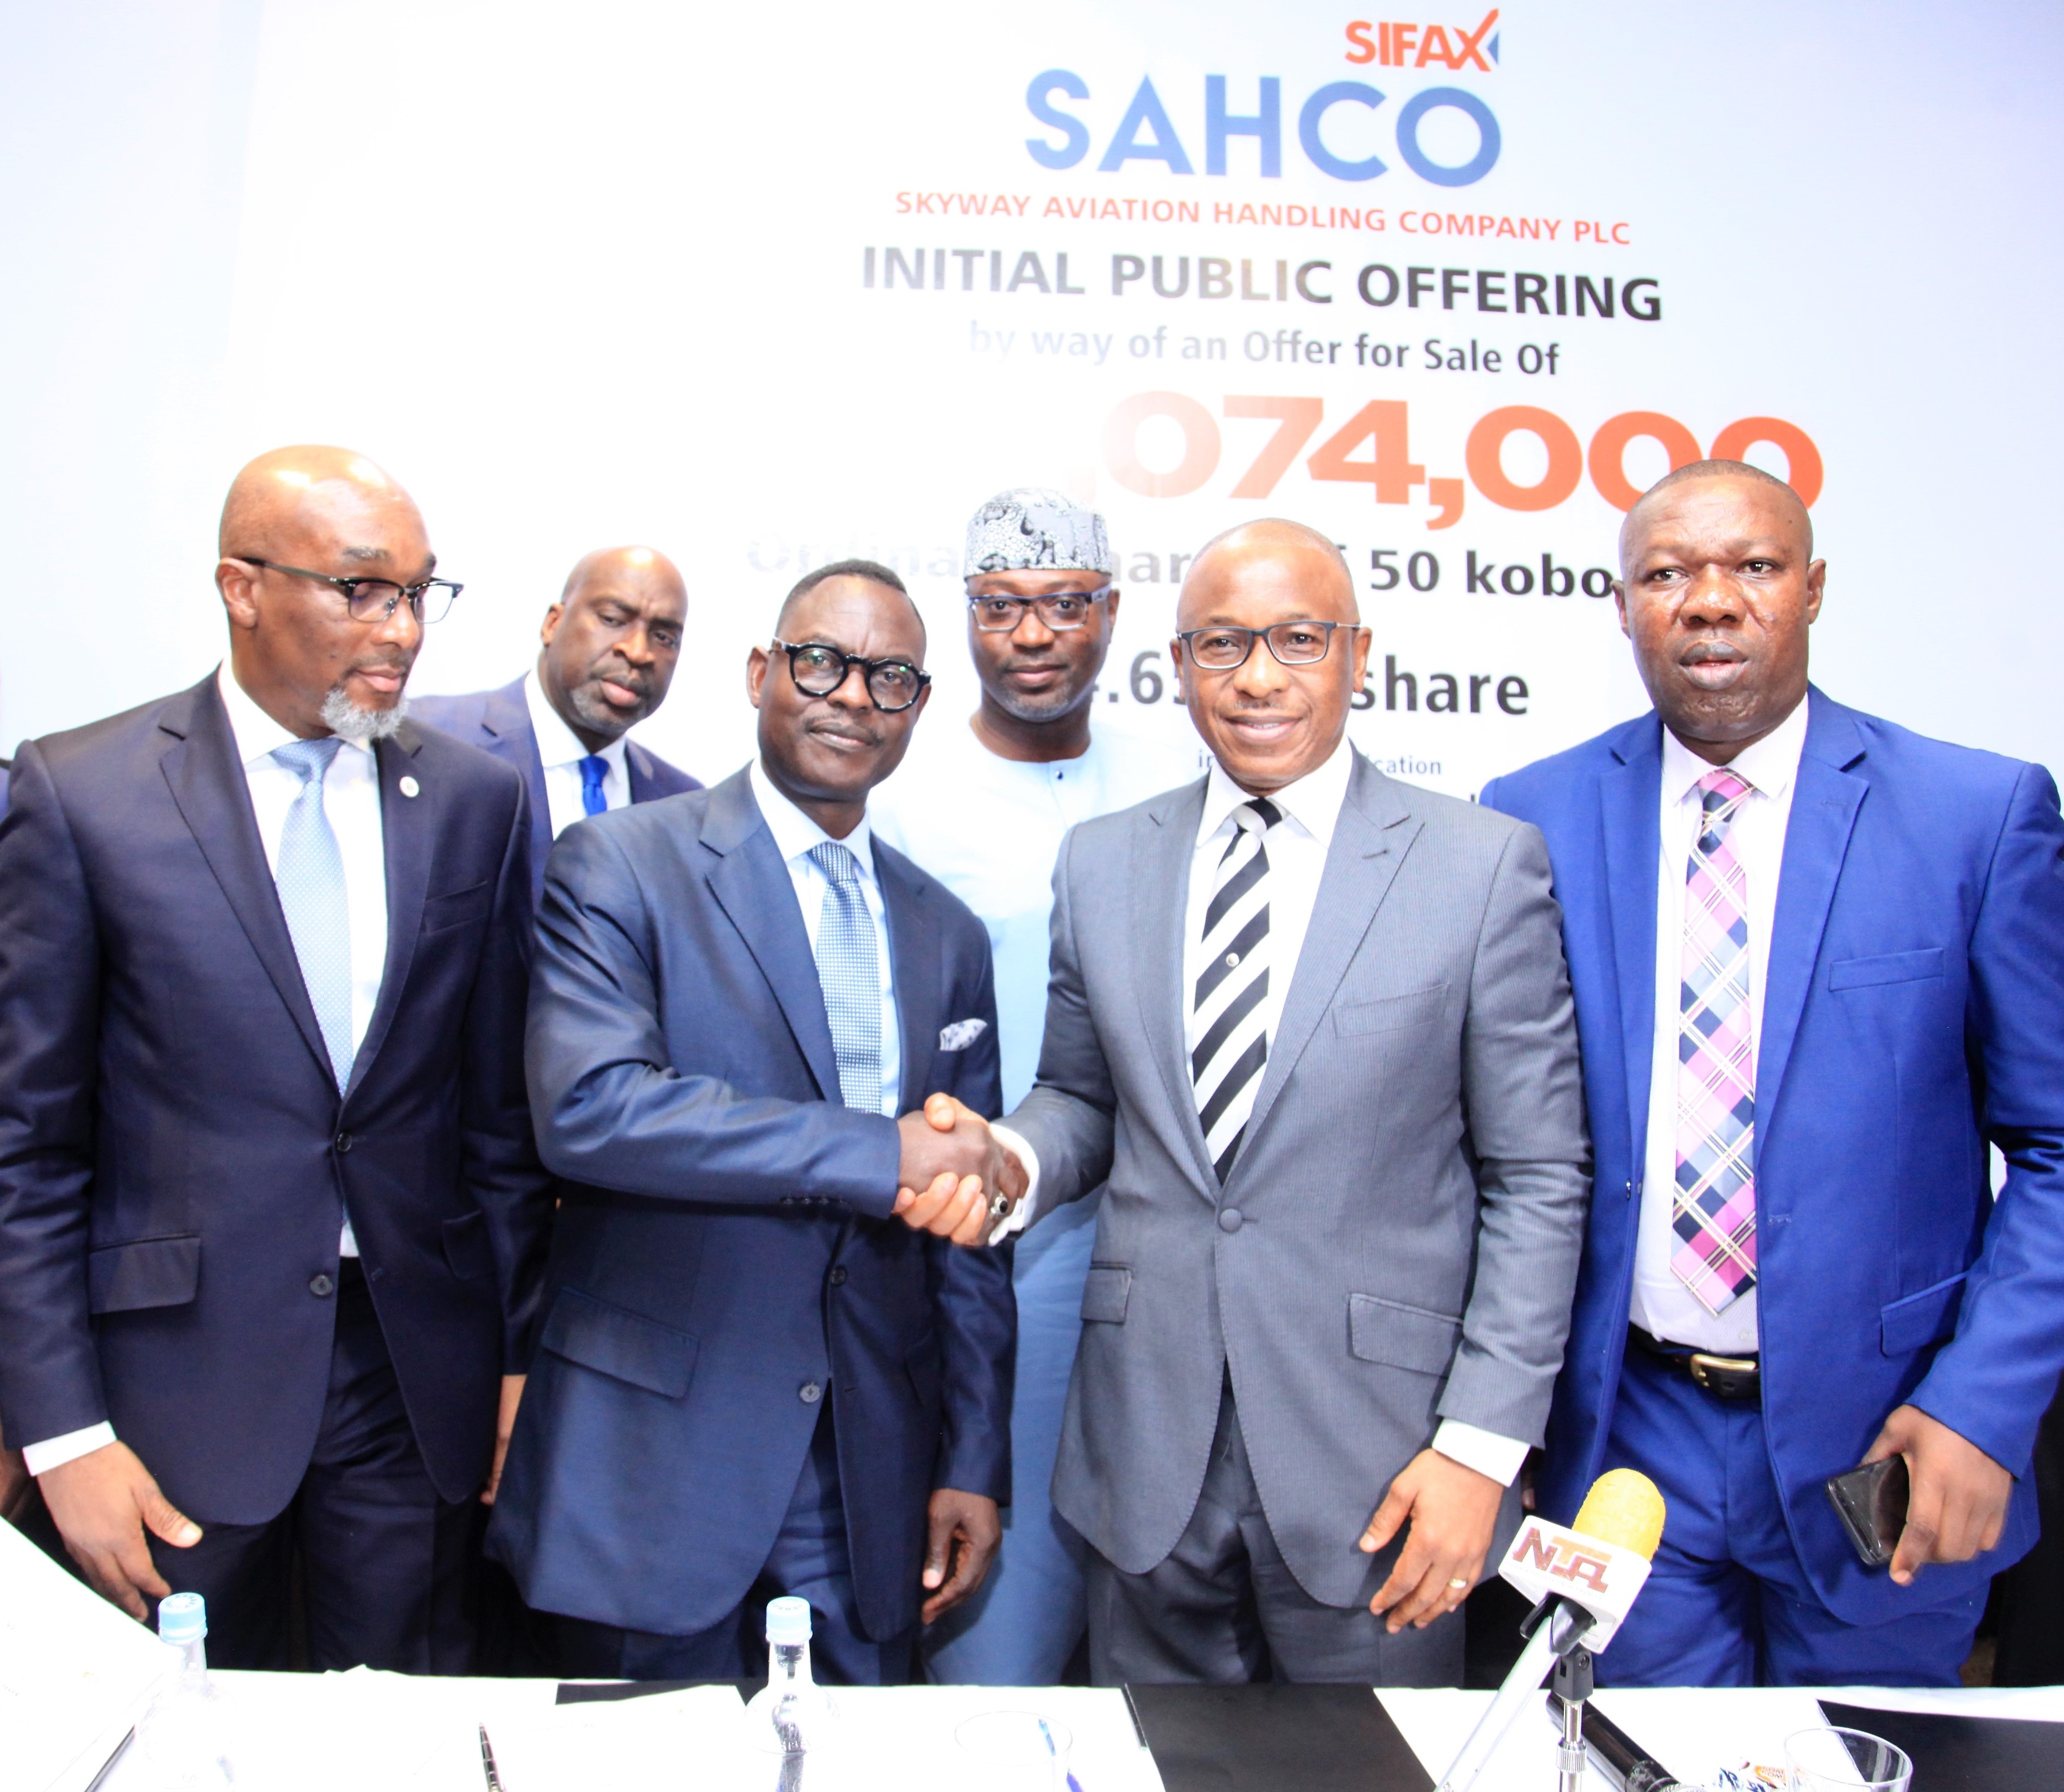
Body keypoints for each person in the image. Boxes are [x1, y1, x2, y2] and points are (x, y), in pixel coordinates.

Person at [934, 518, 1589, 1684]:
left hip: (1385, 1472)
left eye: (1296, 638)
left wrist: (1480, 1449)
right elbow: (1083, 1101)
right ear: (1178, 665)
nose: (1258, 676)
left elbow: (1535, 1177)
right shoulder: (1103, 861)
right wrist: (1007, 1165)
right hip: (1144, 1460)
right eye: (1222, 644)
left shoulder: (1481, 866)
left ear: (1357, 653)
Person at [1479, 460, 2064, 1687]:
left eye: (1750, 566)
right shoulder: (1527, 818)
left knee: (1871, 1763)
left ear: (1810, 590)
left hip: (1890, 1434)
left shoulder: (1974, 814)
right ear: (1623, 603)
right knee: (1630, 1765)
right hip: (1628, 1440)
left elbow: (2056, 1148)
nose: (1707, 599)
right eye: (1665, 572)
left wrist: (1978, 1408)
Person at [0, 446, 553, 1670]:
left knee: (390, 1749)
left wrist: (515, 1360)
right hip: (163, 1405)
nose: (400, 629)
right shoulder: (84, 792)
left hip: (411, 1393)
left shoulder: (473, 800)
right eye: (360, 588)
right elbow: (27, 1151)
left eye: (419, 593)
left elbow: (495, 1130)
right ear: (239, 586)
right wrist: (58, 1434)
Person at [487, 559, 1018, 1683]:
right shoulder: (623, 861)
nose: (851, 697)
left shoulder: (945, 932)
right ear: (759, 673)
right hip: (653, 1471)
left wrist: (973, 1456)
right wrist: (885, 1152)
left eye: (888, 678)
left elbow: (968, 1228)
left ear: (918, 708)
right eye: (821, 662)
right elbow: (592, 1110)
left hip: (865, 1482)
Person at [873, 488, 1197, 1685]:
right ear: (966, 615)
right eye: (1002, 606)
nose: (1033, 633)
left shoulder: (1184, 775)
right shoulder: (897, 796)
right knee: (995, 1659)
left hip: (1171, 1257)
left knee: (1171, 1661)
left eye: (1065, 604)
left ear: (1110, 614)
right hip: (988, 1260)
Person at [410, 544, 700, 907]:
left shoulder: (683, 808)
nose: (638, 652)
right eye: (612, 619)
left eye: (664, 637)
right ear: (553, 624)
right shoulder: (424, 743)